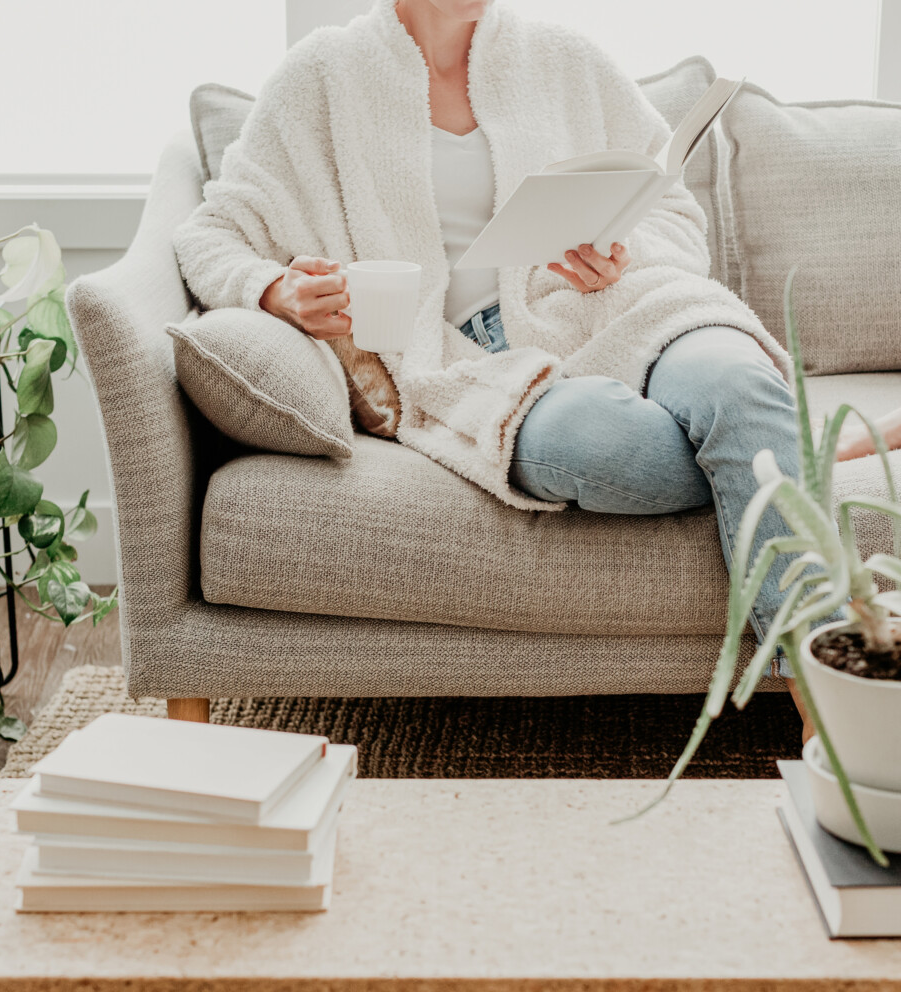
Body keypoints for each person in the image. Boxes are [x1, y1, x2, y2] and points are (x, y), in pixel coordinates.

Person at [174, 0, 882, 735]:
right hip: (466, 359)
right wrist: (275, 289)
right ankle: (782, 446)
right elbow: (211, 232)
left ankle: (826, 707)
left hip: (623, 304)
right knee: (626, 450)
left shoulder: (567, 60)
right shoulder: (321, 75)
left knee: (737, 385)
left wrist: (620, 254)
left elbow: (672, 215)